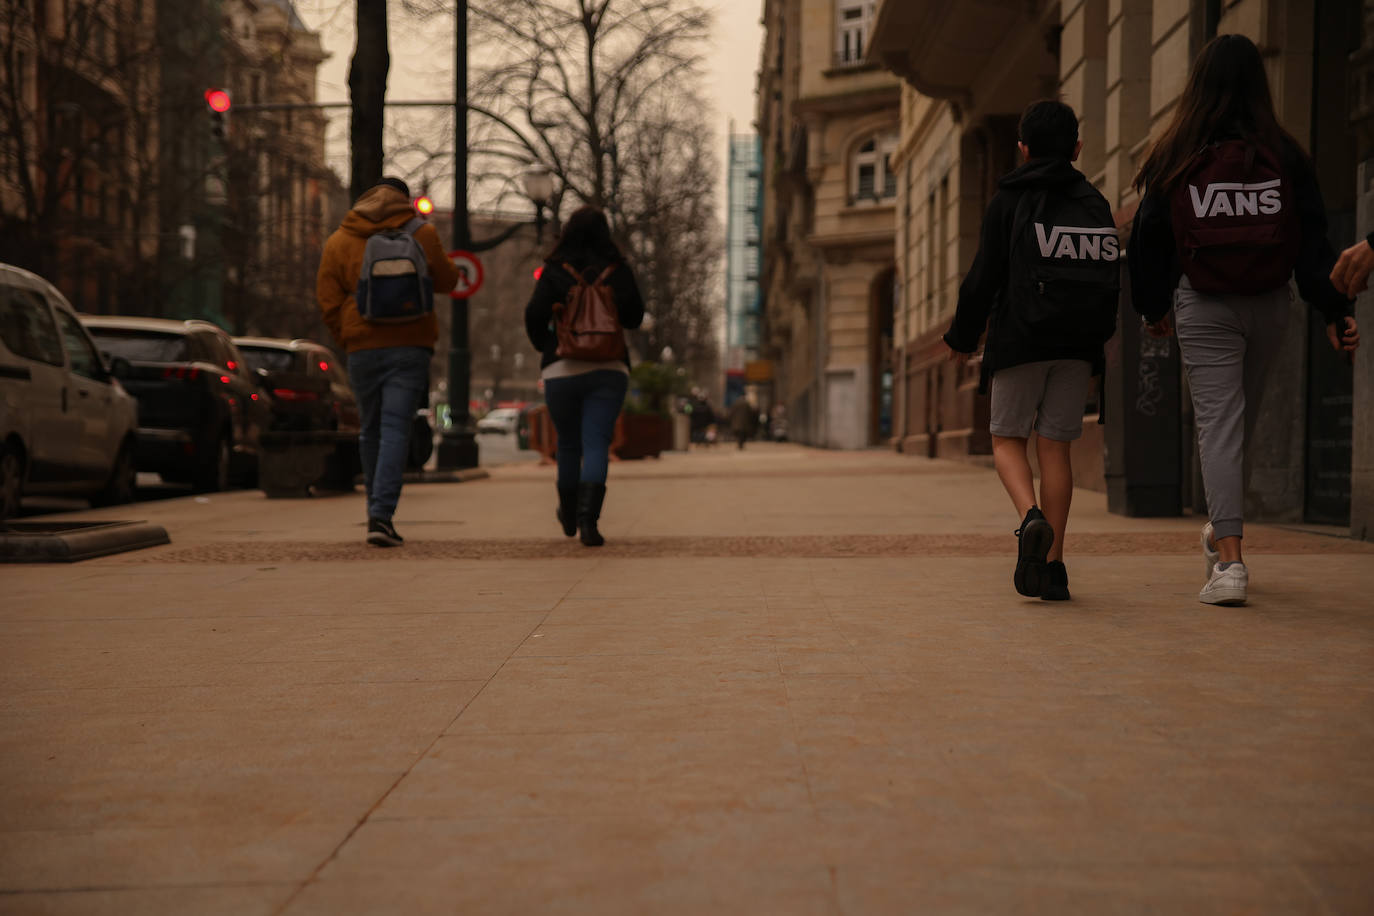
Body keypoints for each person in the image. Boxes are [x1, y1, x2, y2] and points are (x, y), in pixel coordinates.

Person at [1130, 34, 1360, 606]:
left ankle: (1226, 557)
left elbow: (1147, 239)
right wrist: (1333, 310)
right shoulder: (1285, 153)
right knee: (1235, 428)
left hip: (1203, 304)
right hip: (1270, 305)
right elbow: (1312, 242)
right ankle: (1227, 547)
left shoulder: (1174, 152)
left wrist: (1153, 307)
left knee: (1224, 428)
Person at [944, 99, 1120, 601]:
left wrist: (962, 335)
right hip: (1078, 345)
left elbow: (983, 276)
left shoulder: (1009, 200)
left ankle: (1029, 517)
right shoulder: (1094, 203)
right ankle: (1055, 568)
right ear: (1078, 149)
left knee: (1006, 441)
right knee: (1056, 450)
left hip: (1021, 339)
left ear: (1023, 150)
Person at [316, 176, 459, 547]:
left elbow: (328, 300)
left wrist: (347, 334)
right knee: (397, 427)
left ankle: (373, 511)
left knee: (371, 429)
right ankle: (382, 516)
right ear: (404, 200)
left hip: (362, 346)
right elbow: (448, 280)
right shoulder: (421, 234)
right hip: (410, 344)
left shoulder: (340, 239)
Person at [524, 206, 645, 547]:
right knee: (596, 443)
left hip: (561, 369)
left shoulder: (554, 270)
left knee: (567, 443)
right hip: (609, 368)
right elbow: (635, 317)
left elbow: (533, 313)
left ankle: (568, 510)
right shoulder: (618, 270)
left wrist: (546, 347)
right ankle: (588, 521)